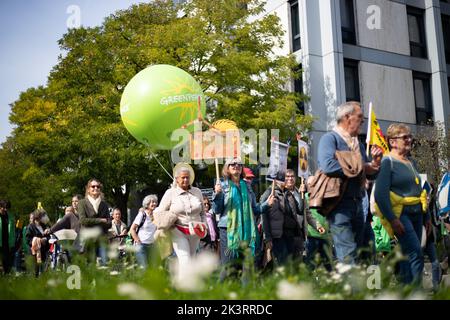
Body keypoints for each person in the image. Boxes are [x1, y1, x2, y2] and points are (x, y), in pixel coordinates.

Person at [317, 101, 382, 265]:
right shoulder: (329, 139)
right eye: (360, 117)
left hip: (359, 207)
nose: (362, 121)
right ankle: (351, 289)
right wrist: (361, 166)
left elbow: (370, 175)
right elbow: (328, 166)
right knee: (348, 256)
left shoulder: (358, 145)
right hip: (339, 207)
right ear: (347, 117)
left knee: (358, 256)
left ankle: (353, 289)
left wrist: (375, 164)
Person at [374, 123, 429, 286]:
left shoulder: (412, 162)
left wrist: (427, 216)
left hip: (417, 214)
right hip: (401, 214)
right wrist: (392, 219)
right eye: (405, 137)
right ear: (392, 141)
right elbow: (380, 195)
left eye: (410, 136)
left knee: (407, 254)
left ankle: (405, 291)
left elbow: (420, 192)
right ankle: (416, 292)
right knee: (415, 252)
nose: (410, 140)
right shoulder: (387, 162)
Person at [213, 157, 272, 282]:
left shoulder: (247, 186)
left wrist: (267, 204)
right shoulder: (222, 185)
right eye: (232, 164)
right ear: (227, 168)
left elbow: (255, 209)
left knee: (248, 266)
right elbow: (217, 210)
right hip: (228, 231)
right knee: (229, 266)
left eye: (239, 164)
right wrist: (217, 195)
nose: (236, 166)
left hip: (247, 232)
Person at [261, 170, 323, 265]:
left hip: (295, 235)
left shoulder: (292, 193)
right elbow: (264, 217)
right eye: (286, 177)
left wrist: (317, 225)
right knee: (282, 265)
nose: (289, 179)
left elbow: (301, 210)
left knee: (295, 265)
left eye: (292, 176)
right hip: (278, 236)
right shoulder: (270, 193)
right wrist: (267, 238)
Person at [155, 164, 205, 274]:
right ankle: (184, 287)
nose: (186, 180)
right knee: (185, 260)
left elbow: (203, 213)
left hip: (196, 231)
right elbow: (159, 211)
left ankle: (187, 286)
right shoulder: (170, 193)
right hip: (177, 231)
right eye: (183, 177)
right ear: (177, 179)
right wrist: (166, 221)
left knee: (191, 261)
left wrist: (204, 225)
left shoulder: (197, 192)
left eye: (188, 177)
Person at [78, 178, 111, 266]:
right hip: (89, 240)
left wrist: (92, 222)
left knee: (105, 265)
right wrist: (100, 220)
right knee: (90, 266)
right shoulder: (82, 203)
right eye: (93, 186)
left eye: (98, 186)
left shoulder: (104, 204)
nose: (95, 188)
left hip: (101, 240)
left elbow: (109, 223)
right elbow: (83, 221)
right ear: (88, 189)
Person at [130, 195, 158, 268]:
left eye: (155, 202)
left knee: (153, 269)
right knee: (144, 268)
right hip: (141, 246)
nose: (154, 204)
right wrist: (138, 241)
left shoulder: (156, 215)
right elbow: (132, 229)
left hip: (152, 246)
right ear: (147, 204)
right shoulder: (142, 214)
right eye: (152, 202)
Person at [25, 208, 50, 276]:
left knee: (43, 272)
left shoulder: (44, 226)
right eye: (43, 216)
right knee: (34, 272)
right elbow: (28, 239)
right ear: (38, 217)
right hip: (34, 253)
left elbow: (48, 236)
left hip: (43, 252)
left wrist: (45, 239)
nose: (45, 217)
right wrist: (38, 240)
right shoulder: (31, 226)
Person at [0, 200, 15, 274]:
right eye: (4, 208)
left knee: (6, 261)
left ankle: (6, 275)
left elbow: (13, 230)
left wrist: (13, 241)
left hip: (6, 242)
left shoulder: (10, 216)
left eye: (7, 208)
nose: (6, 210)